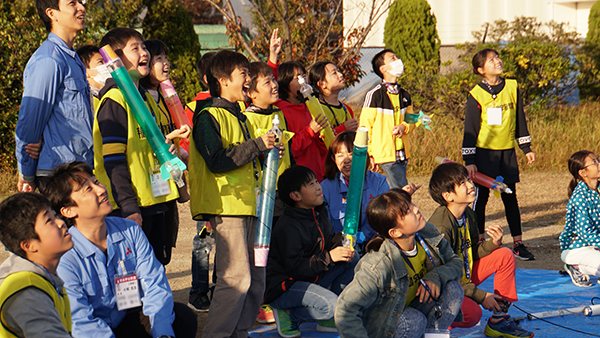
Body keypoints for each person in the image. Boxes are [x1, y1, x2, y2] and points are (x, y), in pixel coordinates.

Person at [40, 161, 197, 338]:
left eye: (96, 182)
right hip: (93, 330)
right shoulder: (65, 256)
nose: (101, 190)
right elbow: (81, 321)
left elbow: (154, 284)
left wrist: (163, 335)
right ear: (68, 211)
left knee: (182, 318)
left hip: (126, 317)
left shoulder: (130, 230)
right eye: (88, 189)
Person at [188, 49, 278, 337]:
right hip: (227, 206)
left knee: (256, 278)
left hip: (250, 204)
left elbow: (246, 159)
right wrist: (257, 145)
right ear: (223, 80)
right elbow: (217, 159)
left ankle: (239, 332)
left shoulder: (239, 116)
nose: (248, 81)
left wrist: (266, 151)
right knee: (235, 278)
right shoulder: (207, 115)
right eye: (243, 75)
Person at [94, 28, 180, 265]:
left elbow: (148, 146)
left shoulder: (145, 98)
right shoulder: (115, 99)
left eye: (144, 47)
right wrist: (129, 207)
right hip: (132, 208)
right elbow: (113, 161)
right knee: (134, 279)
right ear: (115, 58)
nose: (144, 53)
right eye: (135, 48)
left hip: (156, 201)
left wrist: (167, 151)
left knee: (156, 272)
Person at [335, 189, 464, 338]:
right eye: (407, 211)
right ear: (395, 232)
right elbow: (345, 309)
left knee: (453, 289)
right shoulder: (377, 266)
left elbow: (456, 262)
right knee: (414, 321)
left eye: (410, 204)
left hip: (414, 307)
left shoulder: (427, 232)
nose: (416, 209)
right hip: (386, 324)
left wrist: (435, 276)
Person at [428, 162, 534, 338]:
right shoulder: (441, 227)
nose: (471, 185)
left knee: (505, 255)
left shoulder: (468, 214)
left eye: (469, 180)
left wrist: (493, 243)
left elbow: (472, 252)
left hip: (463, 276)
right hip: (444, 286)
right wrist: (480, 295)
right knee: (472, 314)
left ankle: (499, 319)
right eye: (462, 183)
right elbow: (440, 276)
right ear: (448, 196)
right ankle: (433, 322)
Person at [265, 165, 357, 337]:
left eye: (316, 181)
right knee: (334, 306)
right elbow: (295, 269)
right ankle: (289, 313)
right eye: (311, 184)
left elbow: (326, 243)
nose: (318, 187)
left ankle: (328, 318)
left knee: (352, 257)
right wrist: (329, 257)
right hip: (286, 287)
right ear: (296, 196)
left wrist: (339, 243)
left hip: (310, 278)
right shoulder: (287, 226)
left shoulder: (318, 212)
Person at [463, 48, 536, 261]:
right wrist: (470, 160)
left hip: (507, 154)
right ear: (480, 69)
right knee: (481, 199)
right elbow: (470, 129)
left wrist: (526, 148)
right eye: (491, 60)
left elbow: (520, 118)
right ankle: (478, 243)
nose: (497, 61)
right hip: (484, 155)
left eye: (497, 58)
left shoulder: (512, 86)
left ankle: (518, 243)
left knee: (510, 198)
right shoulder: (476, 94)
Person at [15, 0, 94, 193]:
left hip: (80, 169)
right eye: (72, 3)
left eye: (81, 2)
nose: (81, 8)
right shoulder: (49, 59)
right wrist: (27, 173)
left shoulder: (72, 57)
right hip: (58, 175)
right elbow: (30, 123)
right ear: (52, 13)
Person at [0, 193, 73, 337]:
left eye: (55, 216)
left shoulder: (44, 277)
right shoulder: (27, 293)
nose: (61, 223)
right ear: (29, 245)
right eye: (49, 221)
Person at [320, 131, 389, 252]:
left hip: (375, 249)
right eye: (340, 155)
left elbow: (387, 219)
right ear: (333, 158)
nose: (346, 160)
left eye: (352, 154)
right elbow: (325, 230)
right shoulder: (325, 188)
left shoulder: (379, 182)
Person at [360, 49, 416, 189]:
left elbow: (412, 119)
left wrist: (404, 127)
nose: (398, 60)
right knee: (402, 191)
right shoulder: (374, 95)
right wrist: (370, 154)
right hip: (384, 154)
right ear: (383, 69)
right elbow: (365, 127)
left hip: (402, 154)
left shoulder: (405, 95)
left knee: (395, 192)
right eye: (393, 58)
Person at [275, 61, 329, 181]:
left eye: (303, 75)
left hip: (316, 174)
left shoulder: (308, 106)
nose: (302, 80)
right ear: (285, 83)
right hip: (299, 178)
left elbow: (320, 146)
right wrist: (310, 131)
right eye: (297, 78)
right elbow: (291, 148)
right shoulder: (282, 111)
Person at [560, 150, 600, 287]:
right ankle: (575, 266)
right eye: (594, 162)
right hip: (577, 249)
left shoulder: (598, 190)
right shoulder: (580, 198)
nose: (598, 164)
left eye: (597, 160)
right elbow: (586, 232)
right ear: (583, 173)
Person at [308, 61, 358, 134]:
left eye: (338, 71)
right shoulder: (318, 110)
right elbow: (321, 140)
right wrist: (343, 128)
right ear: (322, 84)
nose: (341, 75)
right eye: (334, 73)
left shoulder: (347, 109)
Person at [77, 45, 110, 110]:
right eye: (100, 62)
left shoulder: (105, 94)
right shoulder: (87, 100)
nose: (106, 66)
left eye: (105, 62)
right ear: (85, 72)